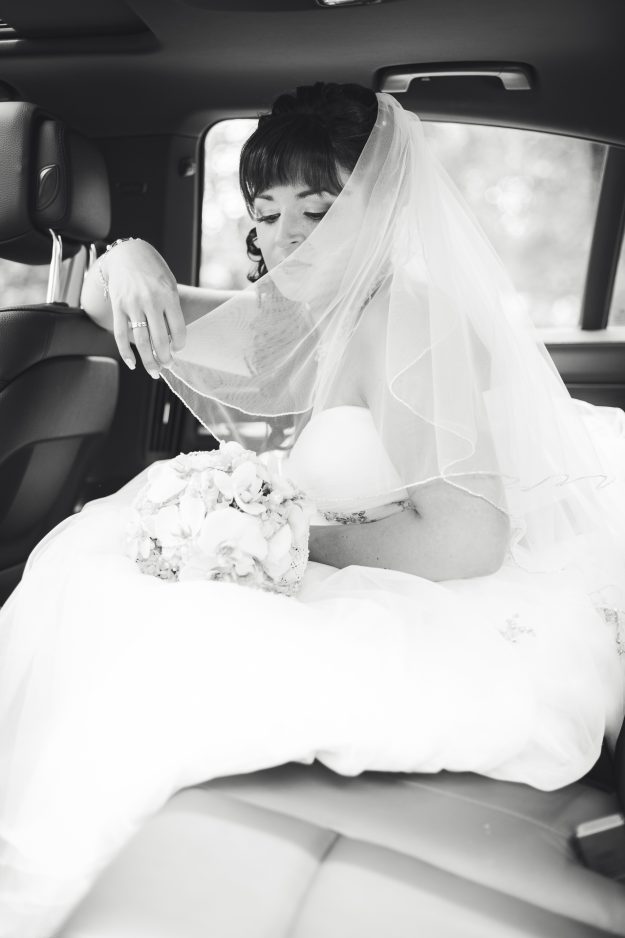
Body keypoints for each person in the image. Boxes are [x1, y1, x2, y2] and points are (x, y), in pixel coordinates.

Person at [1, 82, 624, 937]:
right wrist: (124, 256)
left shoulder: (408, 318)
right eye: (266, 213)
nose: (285, 235)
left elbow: (467, 538)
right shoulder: (314, 314)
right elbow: (130, 308)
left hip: (444, 591)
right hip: (371, 562)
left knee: (139, 628)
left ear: (380, 209)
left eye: (317, 210)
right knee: (100, 579)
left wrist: (275, 539)